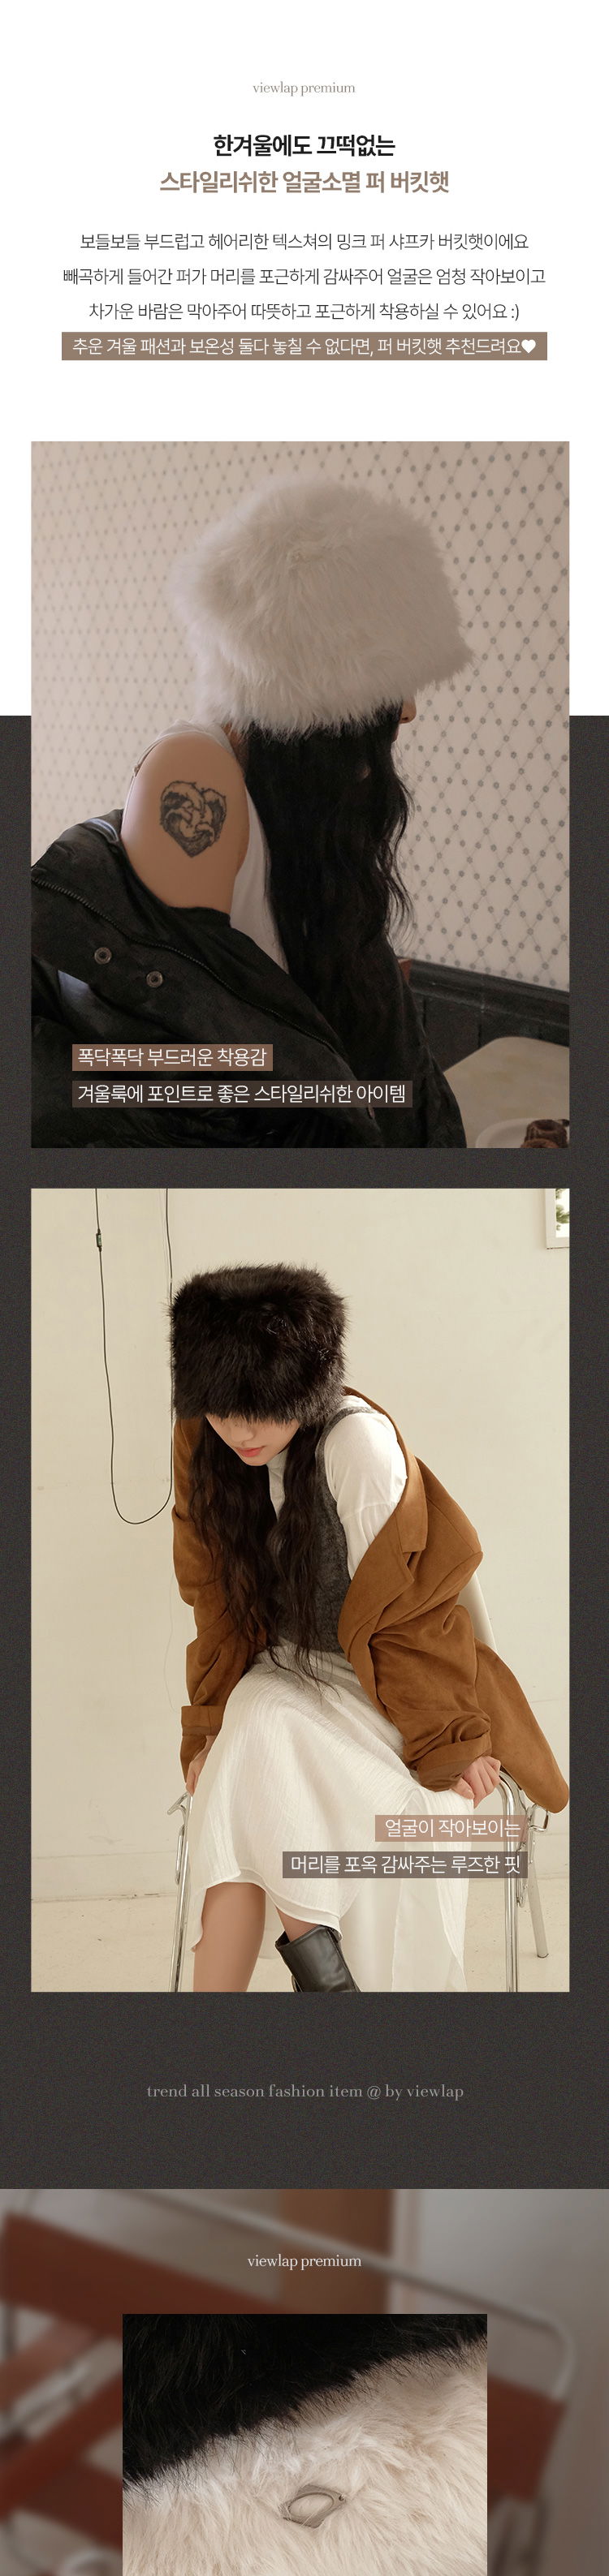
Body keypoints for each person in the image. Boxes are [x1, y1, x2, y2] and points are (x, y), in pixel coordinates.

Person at [32, 476, 468, 1148]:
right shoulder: (195, 768)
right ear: (324, 688)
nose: (408, 711)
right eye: (390, 688)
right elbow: (196, 1051)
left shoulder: (293, 813)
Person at [171, 1262, 568, 1994]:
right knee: (250, 1729)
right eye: (222, 1410)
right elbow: (214, 1600)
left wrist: (449, 1738)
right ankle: (311, 1982)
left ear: (305, 1387)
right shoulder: (203, 1439)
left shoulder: (357, 1446)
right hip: (285, 1669)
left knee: (246, 1756)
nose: (240, 1431)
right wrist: (205, 1721)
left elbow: (408, 1619)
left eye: (260, 1409)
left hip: (382, 1684)